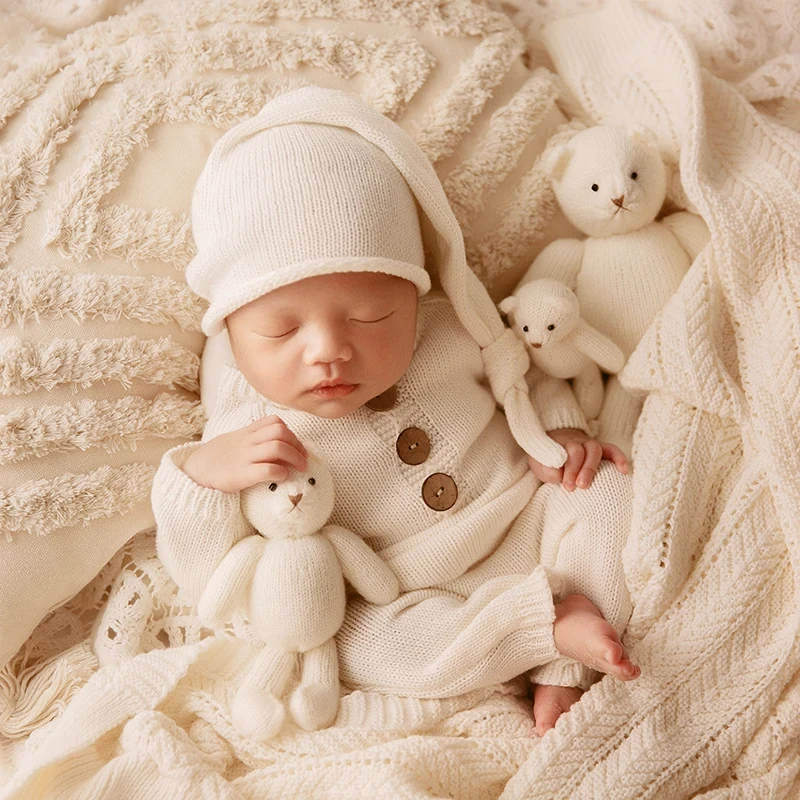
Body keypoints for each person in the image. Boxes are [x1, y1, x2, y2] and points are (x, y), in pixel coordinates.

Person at [153, 86, 638, 737]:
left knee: (606, 489)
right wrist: (201, 478)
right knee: (359, 645)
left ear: (416, 296)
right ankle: (545, 631)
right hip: (401, 592)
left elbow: (519, 377)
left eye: (370, 316)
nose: (328, 351)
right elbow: (211, 573)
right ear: (232, 333)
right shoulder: (245, 426)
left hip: (522, 516)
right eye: (279, 329)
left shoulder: (454, 327)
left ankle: (561, 666)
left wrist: (556, 433)